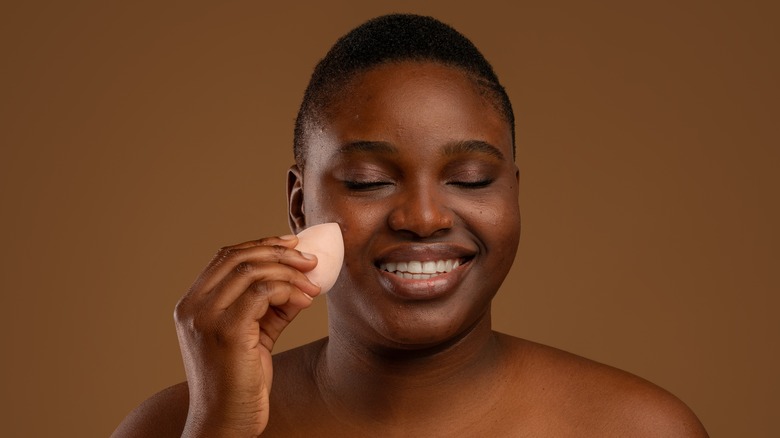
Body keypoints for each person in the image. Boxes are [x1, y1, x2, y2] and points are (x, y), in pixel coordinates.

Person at [113, 14, 708, 437]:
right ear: (299, 206)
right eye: (370, 180)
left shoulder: (637, 429)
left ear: (513, 196)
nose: (423, 218)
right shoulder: (176, 427)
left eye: (471, 178)